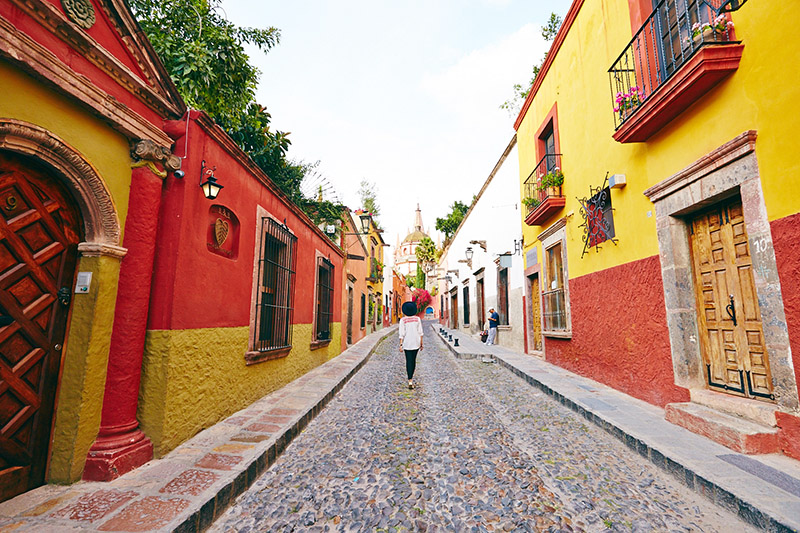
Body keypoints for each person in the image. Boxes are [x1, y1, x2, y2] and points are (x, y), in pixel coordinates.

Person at [398, 301, 423, 389]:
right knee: (413, 360)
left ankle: (410, 380)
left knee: (408, 361)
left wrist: (401, 345)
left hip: (407, 343)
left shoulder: (403, 320)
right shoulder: (417, 319)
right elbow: (420, 332)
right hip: (416, 342)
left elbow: (402, 333)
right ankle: (411, 377)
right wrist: (421, 344)